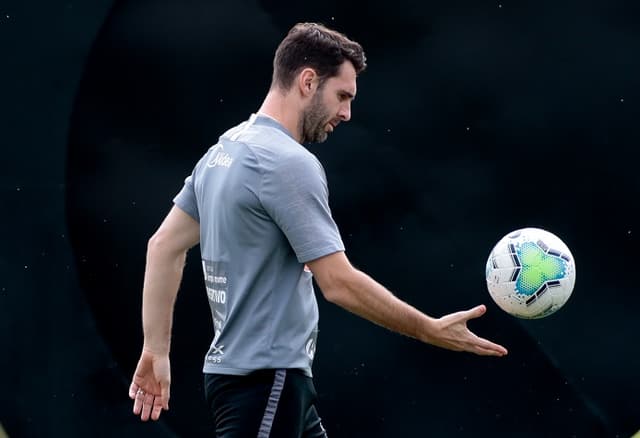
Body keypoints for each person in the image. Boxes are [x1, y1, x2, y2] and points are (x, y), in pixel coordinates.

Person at [128, 22, 508, 436]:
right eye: (342, 96)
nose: (346, 113)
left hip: (247, 380)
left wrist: (155, 349)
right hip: (266, 382)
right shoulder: (287, 162)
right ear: (308, 81)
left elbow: (162, 246)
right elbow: (338, 283)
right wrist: (428, 329)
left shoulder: (225, 149)